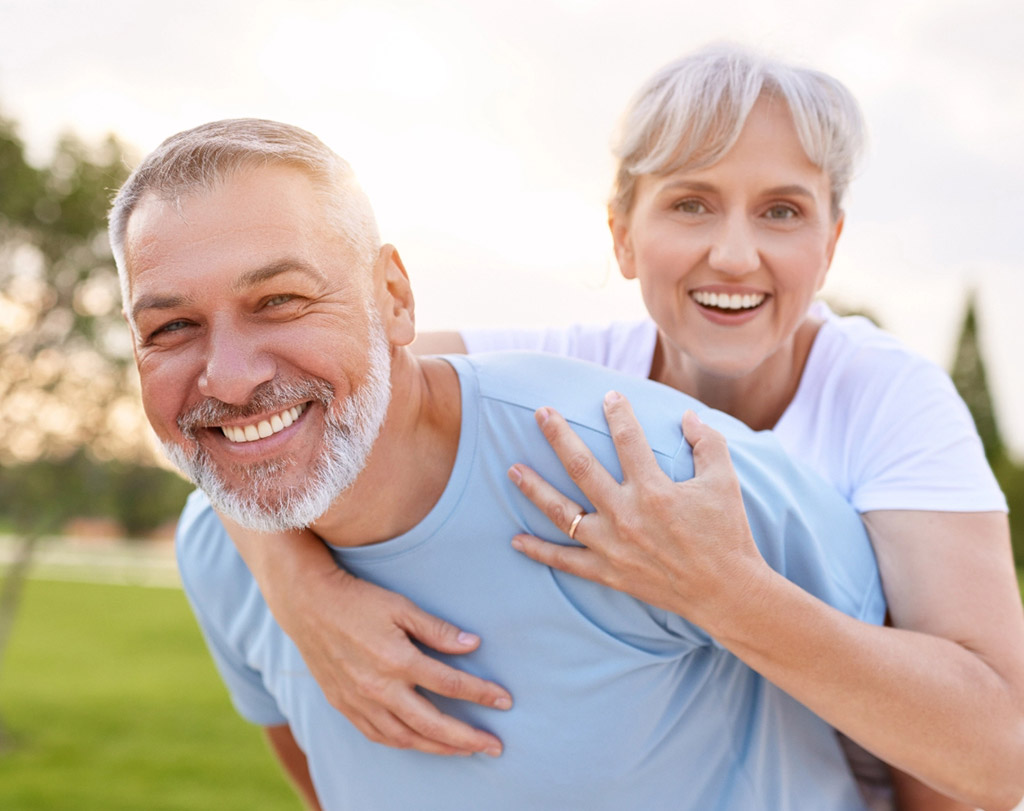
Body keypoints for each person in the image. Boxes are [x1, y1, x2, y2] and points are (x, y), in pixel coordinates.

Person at [220, 47, 1024, 811]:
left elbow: (998, 753)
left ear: (831, 242)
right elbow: (266, 404)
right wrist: (303, 593)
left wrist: (722, 591)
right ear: (623, 234)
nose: (736, 253)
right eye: (690, 204)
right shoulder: (560, 373)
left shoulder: (890, 398)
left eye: (782, 210)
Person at [109, 118, 892, 810]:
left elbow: (964, 754)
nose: (231, 377)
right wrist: (297, 583)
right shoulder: (221, 547)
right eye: (172, 326)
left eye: (279, 300)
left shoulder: (655, 473)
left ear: (394, 297)